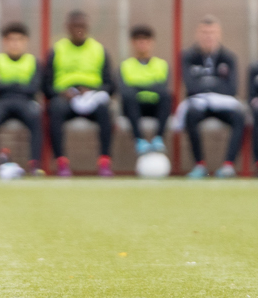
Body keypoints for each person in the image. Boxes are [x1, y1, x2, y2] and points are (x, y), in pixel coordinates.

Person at [43, 11, 115, 177]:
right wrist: (61, 93)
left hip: (91, 97)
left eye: (82, 26)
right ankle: (61, 162)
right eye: (75, 26)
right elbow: (46, 86)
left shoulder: (99, 50)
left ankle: (104, 161)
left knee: (105, 110)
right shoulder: (56, 50)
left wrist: (93, 91)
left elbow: (110, 85)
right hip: (66, 98)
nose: (79, 30)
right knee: (55, 108)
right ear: (68, 28)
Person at [180, 15, 242, 178]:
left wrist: (205, 84)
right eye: (204, 32)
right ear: (197, 34)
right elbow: (190, 86)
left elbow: (232, 88)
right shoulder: (188, 56)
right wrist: (215, 84)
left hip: (223, 105)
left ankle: (228, 165)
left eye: (212, 32)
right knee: (190, 115)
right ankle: (199, 165)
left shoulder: (229, 57)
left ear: (219, 34)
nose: (208, 36)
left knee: (240, 117)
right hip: (198, 105)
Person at [0, 22, 42, 175]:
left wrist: (5, 83)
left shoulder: (33, 62)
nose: (15, 44)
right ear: (5, 42)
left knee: (36, 118)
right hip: (2, 101)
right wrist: (19, 84)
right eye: (11, 40)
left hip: (25, 101)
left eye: (19, 40)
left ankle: (34, 165)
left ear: (25, 42)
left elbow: (34, 88)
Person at [119, 25, 171, 156]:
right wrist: (150, 86)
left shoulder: (162, 65)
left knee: (166, 96)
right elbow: (124, 89)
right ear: (132, 43)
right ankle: (139, 140)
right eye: (138, 40)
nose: (142, 44)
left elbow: (162, 88)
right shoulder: (125, 66)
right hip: (134, 106)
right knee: (129, 96)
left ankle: (158, 138)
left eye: (146, 40)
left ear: (152, 43)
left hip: (154, 106)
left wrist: (137, 86)